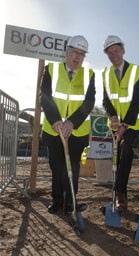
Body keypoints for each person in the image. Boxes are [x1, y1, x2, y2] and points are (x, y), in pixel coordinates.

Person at [40, 35, 96, 214]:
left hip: (76, 132)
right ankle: (57, 201)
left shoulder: (89, 75)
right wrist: (56, 120)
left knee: (72, 168)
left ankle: (71, 203)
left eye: (81, 54)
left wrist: (72, 122)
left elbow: (89, 102)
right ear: (66, 52)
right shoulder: (52, 69)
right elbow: (45, 97)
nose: (77, 57)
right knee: (56, 167)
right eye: (73, 52)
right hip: (54, 129)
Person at [102, 35, 139, 210]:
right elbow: (106, 100)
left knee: (126, 150)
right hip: (116, 124)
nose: (113, 55)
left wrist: (124, 126)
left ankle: (120, 194)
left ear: (123, 50)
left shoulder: (138, 70)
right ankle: (119, 195)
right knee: (118, 156)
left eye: (116, 50)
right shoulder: (106, 74)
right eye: (109, 52)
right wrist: (113, 117)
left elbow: (137, 99)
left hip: (134, 123)